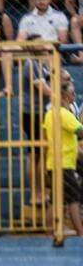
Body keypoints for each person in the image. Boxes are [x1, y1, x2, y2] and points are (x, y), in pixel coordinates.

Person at [42, 80, 83, 239]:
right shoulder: (64, 114)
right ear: (64, 95)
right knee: (73, 198)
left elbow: (46, 138)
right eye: (72, 92)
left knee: (55, 199)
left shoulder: (49, 113)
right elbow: (80, 131)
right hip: (64, 163)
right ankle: (80, 231)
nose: (74, 95)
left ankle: (49, 230)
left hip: (54, 162)